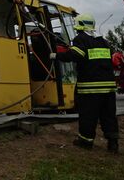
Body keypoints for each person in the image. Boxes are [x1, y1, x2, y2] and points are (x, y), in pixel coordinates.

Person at [50, 13, 119, 153]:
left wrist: (56, 56)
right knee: (109, 116)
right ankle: (113, 143)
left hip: (90, 89)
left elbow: (75, 55)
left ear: (80, 26)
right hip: (109, 88)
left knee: (88, 116)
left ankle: (85, 142)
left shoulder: (80, 39)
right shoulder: (103, 41)